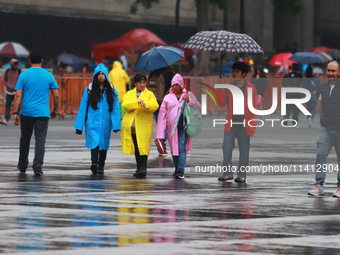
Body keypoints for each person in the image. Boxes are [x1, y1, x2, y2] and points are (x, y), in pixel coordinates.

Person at [12, 50, 59, 176]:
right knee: (40, 140)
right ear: (42, 61)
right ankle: (37, 168)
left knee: (25, 139)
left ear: (30, 61)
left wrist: (15, 112)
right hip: (43, 113)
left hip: (26, 112)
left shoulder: (23, 75)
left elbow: (17, 95)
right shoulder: (49, 75)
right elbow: (56, 95)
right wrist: (55, 109)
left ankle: (22, 165)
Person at [74, 63, 121, 175]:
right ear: (95, 75)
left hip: (106, 122)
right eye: (98, 74)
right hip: (92, 121)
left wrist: (116, 125)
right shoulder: (89, 89)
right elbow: (83, 107)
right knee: (94, 142)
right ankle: (94, 163)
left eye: (102, 74)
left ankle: (101, 165)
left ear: (106, 75)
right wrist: (79, 126)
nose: (100, 76)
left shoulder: (111, 89)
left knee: (104, 144)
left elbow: (115, 108)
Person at [217, 62, 258, 183]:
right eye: (233, 71)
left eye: (237, 72)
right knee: (226, 147)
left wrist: (252, 125)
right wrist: (219, 89)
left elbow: (254, 108)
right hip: (231, 124)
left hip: (245, 125)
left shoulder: (251, 88)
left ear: (244, 74)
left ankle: (242, 175)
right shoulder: (229, 87)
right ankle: (227, 172)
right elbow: (221, 103)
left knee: (244, 151)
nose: (234, 74)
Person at [156, 73, 201, 179]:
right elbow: (162, 116)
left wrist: (190, 100)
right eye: (173, 85)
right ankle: (177, 168)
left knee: (181, 148)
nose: (175, 87)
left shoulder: (188, 95)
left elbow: (198, 106)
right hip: (171, 129)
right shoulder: (167, 98)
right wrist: (160, 134)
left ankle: (181, 170)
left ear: (181, 85)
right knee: (174, 149)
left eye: (177, 85)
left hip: (184, 127)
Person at [308, 61, 340, 197]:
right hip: (326, 128)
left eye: (333, 71)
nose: (330, 73)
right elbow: (320, 104)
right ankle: (319, 185)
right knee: (320, 155)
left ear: (339, 72)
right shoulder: (322, 86)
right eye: (329, 70)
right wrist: (322, 120)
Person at [121, 74, 158, 178]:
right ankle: (139, 167)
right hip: (132, 125)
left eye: (144, 82)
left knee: (144, 146)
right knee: (137, 147)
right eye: (140, 83)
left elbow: (155, 105)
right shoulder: (129, 94)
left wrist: (147, 105)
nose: (142, 84)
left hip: (144, 125)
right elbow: (125, 105)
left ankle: (143, 168)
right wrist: (136, 102)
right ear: (135, 83)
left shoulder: (149, 94)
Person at [149, 66, 175, 156]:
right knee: (169, 126)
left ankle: (163, 148)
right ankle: (161, 140)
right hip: (165, 103)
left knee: (160, 125)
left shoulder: (153, 73)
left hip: (154, 102)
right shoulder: (170, 74)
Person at [282, 63, 303, 128]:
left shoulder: (286, 76)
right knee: (296, 109)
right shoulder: (299, 76)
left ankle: (286, 118)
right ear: (297, 69)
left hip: (287, 94)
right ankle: (295, 123)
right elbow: (302, 83)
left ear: (291, 68)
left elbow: (283, 84)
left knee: (287, 108)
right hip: (296, 94)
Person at [1, 59, 21, 125]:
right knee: (8, 106)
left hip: (16, 92)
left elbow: (21, 79)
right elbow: (4, 79)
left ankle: (17, 119)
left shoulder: (19, 71)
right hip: (8, 91)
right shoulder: (7, 71)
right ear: (12, 65)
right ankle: (6, 119)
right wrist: (7, 85)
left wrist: (17, 87)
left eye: (17, 65)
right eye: (15, 65)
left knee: (17, 106)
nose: (16, 66)